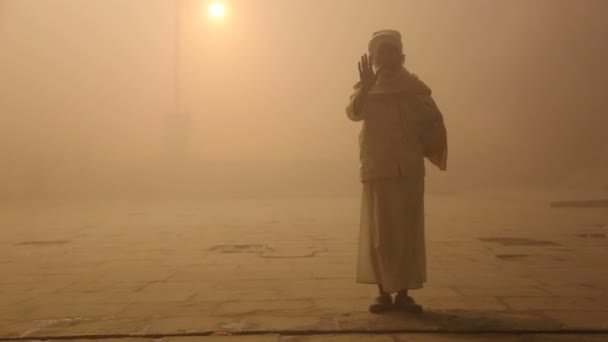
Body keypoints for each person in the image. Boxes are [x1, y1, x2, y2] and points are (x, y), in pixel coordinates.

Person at [345, 30, 447, 314]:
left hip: (408, 169)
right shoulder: (367, 87)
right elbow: (354, 113)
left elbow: (433, 121)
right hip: (377, 168)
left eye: (391, 51)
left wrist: (422, 140)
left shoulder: (414, 88)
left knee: (407, 233)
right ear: (374, 57)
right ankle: (382, 293)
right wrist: (366, 87)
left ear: (400, 55)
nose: (386, 57)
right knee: (380, 233)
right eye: (381, 52)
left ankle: (403, 294)